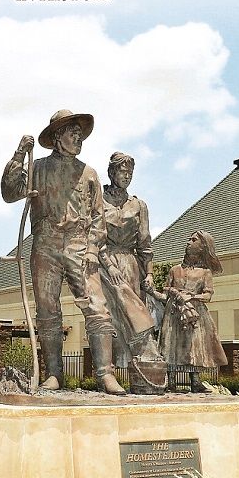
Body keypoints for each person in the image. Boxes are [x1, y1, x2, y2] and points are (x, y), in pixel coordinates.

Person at [1, 109, 125, 395]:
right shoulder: (38, 168)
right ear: (58, 137)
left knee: (97, 308)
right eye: (72, 133)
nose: (78, 138)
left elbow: (98, 218)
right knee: (47, 311)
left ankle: (106, 374)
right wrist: (19, 155)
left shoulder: (89, 173)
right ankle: (54, 373)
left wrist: (93, 250)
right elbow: (9, 192)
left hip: (80, 246)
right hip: (45, 245)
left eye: (80, 134)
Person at [99, 152, 163, 370]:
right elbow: (94, 238)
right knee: (108, 317)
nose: (126, 176)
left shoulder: (138, 205)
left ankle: (142, 365)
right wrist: (108, 264)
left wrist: (151, 274)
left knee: (135, 315)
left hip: (131, 265)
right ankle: (108, 370)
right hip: (104, 265)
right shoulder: (98, 201)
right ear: (111, 173)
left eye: (130, 173)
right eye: (122, 171)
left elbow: (145, 243)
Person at [160, 230, 228, 392]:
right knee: (171, 344)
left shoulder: (205, 273)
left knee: (194, 345)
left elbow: (208, 295)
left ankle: (195, 382)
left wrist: (191, 297)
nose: (188, 242)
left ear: (202, 247)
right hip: (174, 312)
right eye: (189, 239)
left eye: (193, 240)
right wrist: (155, 292)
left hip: (195, 313)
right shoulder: (174, 270)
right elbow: (164, 295)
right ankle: (171, 382)